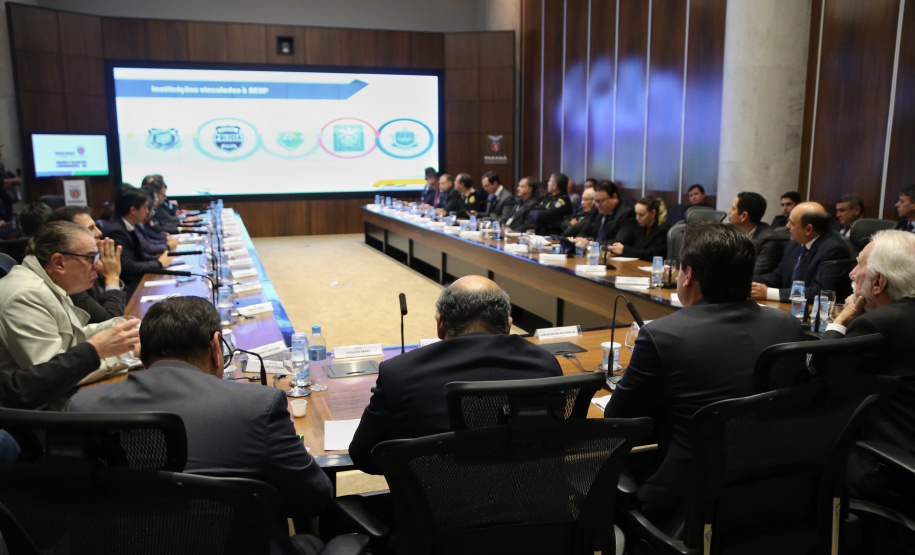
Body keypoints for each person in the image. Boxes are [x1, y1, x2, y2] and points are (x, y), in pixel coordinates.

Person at [605, 222, 805, 532]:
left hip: (688, 505)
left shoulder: (664, 335)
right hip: (775, 494)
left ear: (687, 275)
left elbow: (618, 421)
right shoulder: (787, 325)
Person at [67, 296, 333, 526]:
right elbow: (313, 498)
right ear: (216, 346)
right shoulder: (256, 405)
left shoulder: (82, 406)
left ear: (140, 354)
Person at [349, 275, 563, 475]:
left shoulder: (399, 373)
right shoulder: (546, 365)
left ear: (440, 325)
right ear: (508, 326)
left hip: (436, 510)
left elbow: (364, 454)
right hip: (536, 506)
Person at [823, 230, 915, 516]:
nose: (852, 274)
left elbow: (819, 376)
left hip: (888, 466)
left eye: (860, 265)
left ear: (878, 282)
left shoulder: (875, 325)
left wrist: (841, 321)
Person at [0, 221, 135, 408]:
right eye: (91, 257)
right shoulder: (26, 294)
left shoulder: (47, 282)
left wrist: (124, 328)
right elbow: (53, 374)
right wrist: (123, 354)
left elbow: (70, 337)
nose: (99, 265)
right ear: (59, 262)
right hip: (40, 417)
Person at [751, 201, 849, 302]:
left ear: (808, 229)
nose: (787, 226)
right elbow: (778, 276)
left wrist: (769, 293)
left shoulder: (834, 250)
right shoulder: (796, 243)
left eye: (792, 223)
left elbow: (819, 292)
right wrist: (746, 281)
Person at [46, 206, 126, 323]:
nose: (99, 232)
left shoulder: (88, 260)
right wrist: (112, 278)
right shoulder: (70, 273)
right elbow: (110, 322)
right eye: (90, 229)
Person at [102, 185, 173, 296]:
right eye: (145, 207)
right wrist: (158, 263)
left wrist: (159, 259)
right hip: (127, 287)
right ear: (133, 210)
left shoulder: (128, 224)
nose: (147, 212)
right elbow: (127, 266)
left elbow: (141, 254)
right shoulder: (116, 231)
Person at [726, 191, 783, 274]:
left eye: (733, 208)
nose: (729, 211)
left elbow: (754, 273)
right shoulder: (732, 232)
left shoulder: (769, 240)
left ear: (743, 216)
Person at [568, 180, 636, 248]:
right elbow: (585, 231)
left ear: (614, 197)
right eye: (596, 201)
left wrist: (590, 244)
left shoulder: (627, 213)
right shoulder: (597, 209)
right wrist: (580, 239)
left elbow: (618, 242)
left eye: (601, 201)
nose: (597, 205)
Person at [608, 196, 670, 261]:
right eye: (636, 214)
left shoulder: (663, 229)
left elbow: (652, 254)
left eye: (641, 215)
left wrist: (625, 250)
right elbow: (633, 246)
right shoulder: (639, 227)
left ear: (653, 213)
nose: (637, 218)